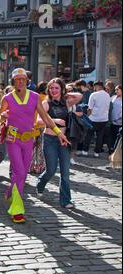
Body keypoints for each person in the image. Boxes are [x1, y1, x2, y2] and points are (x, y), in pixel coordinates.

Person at [0, 68, 70, 223]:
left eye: (23, 79)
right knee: (20, 173)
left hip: (28, 140)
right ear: (13, 81)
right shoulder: (7, 98)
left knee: (21, 173)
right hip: (13, 138)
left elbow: (46, 117)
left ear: (27, 81)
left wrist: (59, 133)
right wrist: (1, 117)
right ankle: (17, 209)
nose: (21, 81)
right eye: (17, 79)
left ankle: (10, 193)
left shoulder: (35, 97)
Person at [36, 78, 83, 209]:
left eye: (57, 88)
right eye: (51, 88)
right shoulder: (46, 103)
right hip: (50, 139)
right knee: (50, 170)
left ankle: (66, 200)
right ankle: (40, 183)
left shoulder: (66, 102)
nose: (54, 90)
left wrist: (66, 94)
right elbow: (39, 121)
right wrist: (54, 120)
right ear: (48, 90)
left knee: (65, 173)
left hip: (64, 140)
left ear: (61, 89)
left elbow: (80, 96)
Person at [83, 81, 111, 157]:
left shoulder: (94, 94)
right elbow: (108, 107)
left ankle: (85, 150)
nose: (94, 88)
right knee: (100, 136)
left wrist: (87, 117)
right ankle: (97, 152)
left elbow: (90, 108)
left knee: (89, 135)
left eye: (94, 87)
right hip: (104, 119)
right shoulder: (107, 95)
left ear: (97, 86)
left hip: (94, 118)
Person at [109, 85, 122, 153]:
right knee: (112, 137)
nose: (116, 91)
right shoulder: (113, 97)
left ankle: (117, 151)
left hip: (119, 122)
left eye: (117, 90)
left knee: (118, 138)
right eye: (115, 90)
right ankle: (111, 149)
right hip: (112, 121)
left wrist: (117, 118)